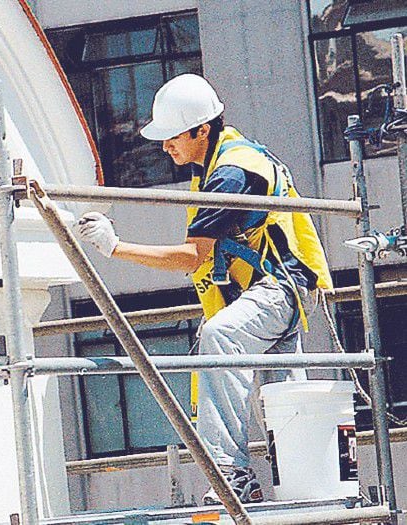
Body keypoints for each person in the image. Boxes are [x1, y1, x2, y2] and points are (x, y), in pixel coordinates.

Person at [76, 73, 332, 505]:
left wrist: (115, 247)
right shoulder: (221, 162)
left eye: (173, 136)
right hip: (275, 287)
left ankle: (232, 475)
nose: (165, 146)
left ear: (202, 129)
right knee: (285, 401)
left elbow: (193, 256)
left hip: (278, 288)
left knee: (221, 336)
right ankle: (306, 487)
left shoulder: (230, 173)